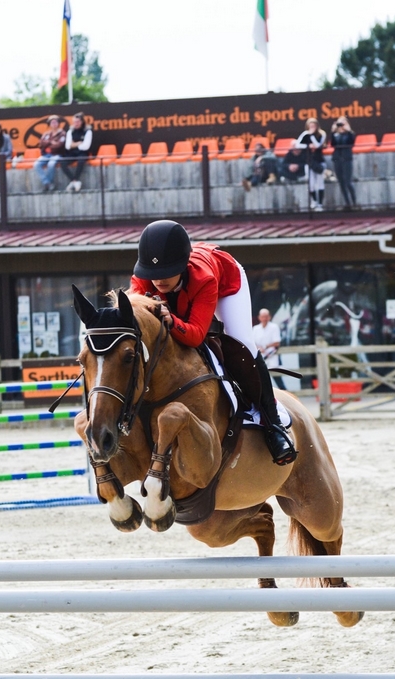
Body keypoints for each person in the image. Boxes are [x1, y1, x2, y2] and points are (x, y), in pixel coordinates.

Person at [129, 220, 297, 466]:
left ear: (181, 266)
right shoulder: (143, 278)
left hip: (227, 283)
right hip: (193, 283)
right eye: (153, 274)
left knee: (242, 343)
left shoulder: (203, 278)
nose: (158, 281)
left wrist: (171, 320)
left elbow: (196, 334)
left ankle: (273, 423)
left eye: (166, 273)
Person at [296, 117, 327, 211]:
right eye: (310, 126)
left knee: (320, 183)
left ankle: (320, 204)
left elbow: (318, 145)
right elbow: (297, 144)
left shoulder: (321, 134)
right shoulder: (305, 134)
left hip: (319, 161)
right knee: (311, 183)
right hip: (309, 162)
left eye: (314, 126)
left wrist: (312, 136)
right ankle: (314, 201)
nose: (312, 127)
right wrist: (308, 145)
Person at [252, 308, 285, 390]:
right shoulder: (255, 328)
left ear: (269, 317)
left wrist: (265, 347)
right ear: (259, 317)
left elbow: (277, 342)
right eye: (263, 317)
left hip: (272, 356)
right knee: (261, 378)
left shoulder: (274, 327)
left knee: (277, 378)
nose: (264, 319)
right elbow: (253, 343)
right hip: (260, 356)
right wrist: (259, 348)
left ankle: (286, 395)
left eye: (266, 316)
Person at [61, 113, 93, 192]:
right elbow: (68, 146)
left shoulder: (87, 131)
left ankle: (74, 181)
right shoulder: (70, 131)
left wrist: (73, 144)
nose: (76, 123)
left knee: (81, 160)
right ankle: (74, 181)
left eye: (78, 121)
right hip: (72, 153)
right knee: (62, 162)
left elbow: (86, 146)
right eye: (74, 122)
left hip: (82, 153)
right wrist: (79, 143)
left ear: (82, 122)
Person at [330, 116, 357, 209]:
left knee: (347, 181)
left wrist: (348, 130)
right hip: (337, 159)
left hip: (346, 159)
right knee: (341, 182)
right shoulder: (336, 135)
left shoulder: (350, 134)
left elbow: (351, 142)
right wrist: (333, 132)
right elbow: (333, 144)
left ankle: (354, 202)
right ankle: (347, 203)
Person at [35, 116, 67, 192]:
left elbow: (59, 145)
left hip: (57, 154)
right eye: (52, 122)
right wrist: (51, 142)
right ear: (49, 124)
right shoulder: (46, 134)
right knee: (36, 164)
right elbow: (41, 143)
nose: (54, 124)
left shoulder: (62, 133)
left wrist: (48, 143)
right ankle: (47, 183)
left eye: (55, 122)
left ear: (59, 123)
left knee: (51, 164)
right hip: (46, 155)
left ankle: (48, 184)